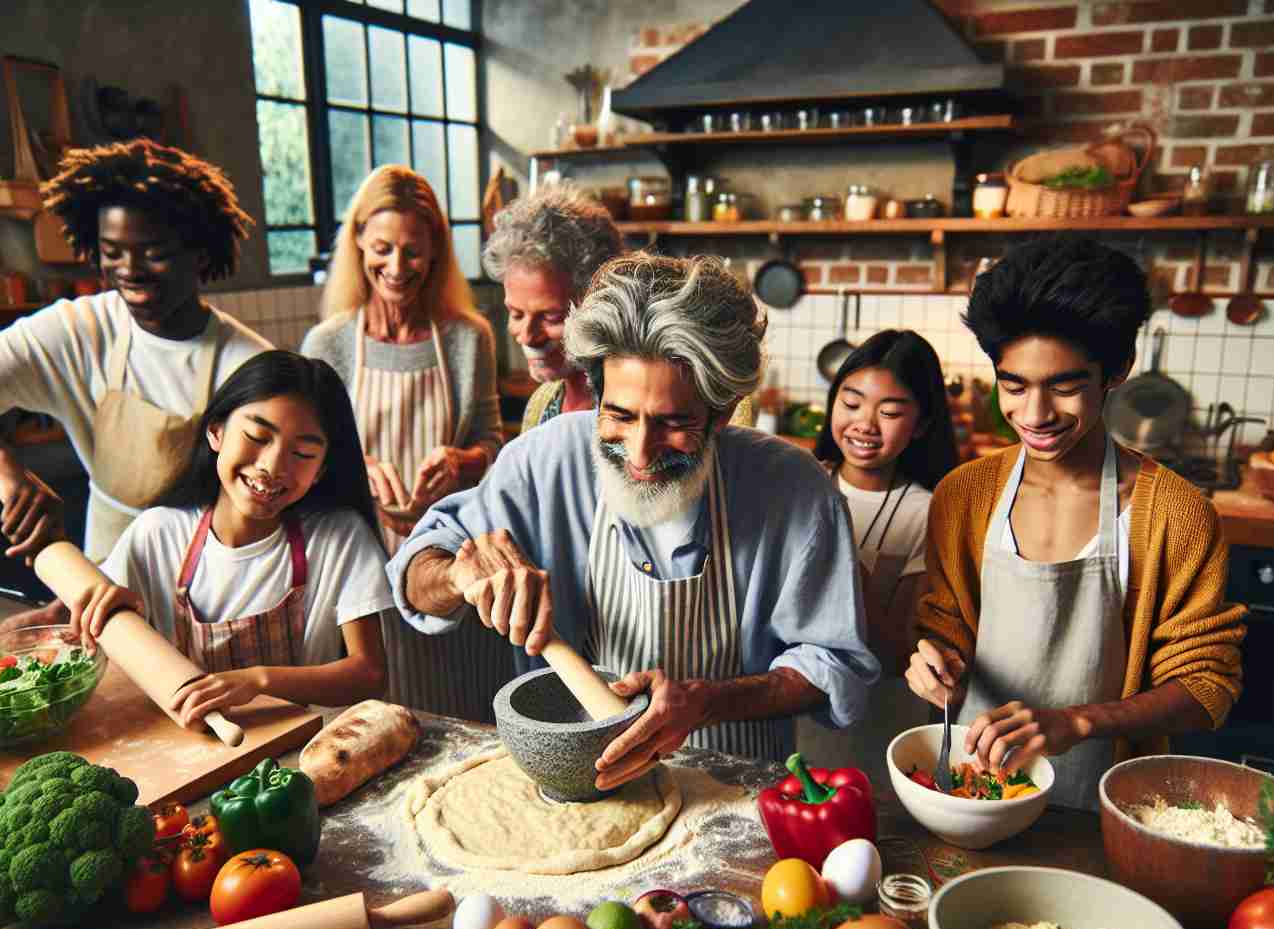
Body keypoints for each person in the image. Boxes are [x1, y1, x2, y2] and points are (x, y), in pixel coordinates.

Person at [387, 252, 879, 788]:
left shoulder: (793, 488)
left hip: (735, 783)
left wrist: (708, 702)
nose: (641, 452)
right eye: (619, 416)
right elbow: (416, 575)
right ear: (595, 390)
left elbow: (831, 662)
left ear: (723, 408)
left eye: (673, 423)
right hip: (577, 780)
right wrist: (458, 576)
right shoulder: (542, 463)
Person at [905, 237, 1246, 810]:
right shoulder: (964, 495)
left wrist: (1078, 722)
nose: (1034, 415)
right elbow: (947, 623)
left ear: (1117, 370)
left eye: (1064, 387)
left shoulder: (1177, 515)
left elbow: (1206, 686)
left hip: (1105, 803)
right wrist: (937, 662)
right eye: (1013, 386)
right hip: (971, 791)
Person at [0, 139, 271, 629]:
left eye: (153, 253)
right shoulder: (80, 330)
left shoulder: (247, 366)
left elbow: (259, 524)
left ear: (198, 253)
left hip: (210, 604)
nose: (129, 272)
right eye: (112, 253)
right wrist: (5, 465)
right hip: (95, 595)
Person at [62, 350, 390, 725]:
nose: (272, 467)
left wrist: (257, 681)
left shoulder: (340, 537)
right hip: (190, 755)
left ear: (320, 470)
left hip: (299, 756)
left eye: (301, 453)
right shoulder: (156, 534)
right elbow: (92, 649)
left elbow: (369, 675)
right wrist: (114, 615)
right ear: (216, 431)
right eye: (257, 436)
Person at [300, 165, 508, 722]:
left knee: (469, 718)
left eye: (413, 252)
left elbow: (494, 441)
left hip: (453, 562)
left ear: (436, 251)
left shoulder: (469, 338)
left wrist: (465, 461)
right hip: (363, 562)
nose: (396, 268)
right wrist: (357, 467)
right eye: (382, 249)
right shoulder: (329, 343)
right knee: (391, 721)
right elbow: (305, 460)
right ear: (358, 246)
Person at [796, 330, 960, 791]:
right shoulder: (800, 484)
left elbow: (896, 649)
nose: (866, 424)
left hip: (880, 720)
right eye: (851, 404)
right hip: (796, 708)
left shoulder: (928, 511)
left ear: (923, 424)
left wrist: (839, 545)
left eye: (889, 412)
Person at [481, 186, 757, 433]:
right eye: (516, 314)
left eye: (551, 317)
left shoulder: (695, 398)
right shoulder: (543, 403)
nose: (528, 336)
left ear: (603, 301)